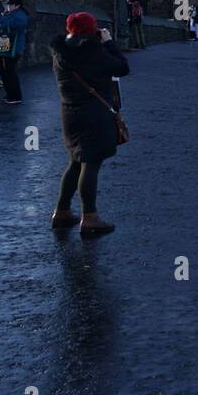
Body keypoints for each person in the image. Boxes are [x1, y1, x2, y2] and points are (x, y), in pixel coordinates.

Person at [49, 12, 130, 236]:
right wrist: (109, 42)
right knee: (91, 163)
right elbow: (122, 67)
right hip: (94, 113)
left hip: (69, 113)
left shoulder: (60, 51)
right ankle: (90, 217)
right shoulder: (94, 51)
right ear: (90, 30)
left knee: (75, 161)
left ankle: (62, 212)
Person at [0, 0, 31, 104]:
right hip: (7, 47)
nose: (8, 7)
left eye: (10, 5)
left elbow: (8, 24)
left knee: (10, 71)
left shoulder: (20, 15)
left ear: (17, 5)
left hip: (14, 48)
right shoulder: (13, 14)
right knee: (3, 70)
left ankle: (16, 96)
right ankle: (10, 94)